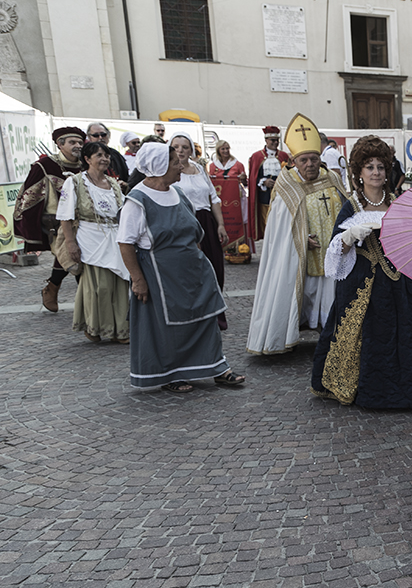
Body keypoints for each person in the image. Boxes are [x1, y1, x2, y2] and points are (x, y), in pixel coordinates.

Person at [311, 136, 412, 408]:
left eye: (381, 167)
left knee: (408, 334)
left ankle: (411, 387)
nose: (375, 172)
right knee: (373, 339)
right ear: (359, 172)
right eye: (369, 166)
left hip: (403, 283)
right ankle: (369, 389)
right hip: (364, 286)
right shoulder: (351, 206)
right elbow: (335, 254)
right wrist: (350, 234)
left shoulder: (399, 201)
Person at [117, 142, 244, 392]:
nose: (181, 166)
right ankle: (172, 373)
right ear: (159, 167)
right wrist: (137, 279)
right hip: (159, 274)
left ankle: (218, 367)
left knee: (205, 317)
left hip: (192, 270)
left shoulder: (178, 193)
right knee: (168, 327)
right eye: (175, 162)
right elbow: (125, 243)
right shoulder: (138, 201)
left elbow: (193, 233)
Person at [247, 113, 347, 355]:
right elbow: (278, 228)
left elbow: (346, 209)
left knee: (330, 293)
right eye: (304, 160)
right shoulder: (287, 184)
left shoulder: (332, 178)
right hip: (299, 255)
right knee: (302, 290)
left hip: (332, 254)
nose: (310, 164)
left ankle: (331, 331)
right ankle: (287, 333)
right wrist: (299, 239)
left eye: (314, 159)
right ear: (294, 161)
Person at [56, 141, 129, 343]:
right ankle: (96, 327)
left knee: (120, 284)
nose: (105, 159)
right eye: (99, 155)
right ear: (87, 159)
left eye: (106, 155)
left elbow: (124, 210)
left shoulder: (114, 183)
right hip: (90, 237)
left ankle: (121, 329)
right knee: (99, 287)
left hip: (114, 238)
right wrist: (71, 243)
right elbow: (65, 215)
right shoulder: (75, 182)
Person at [14, 126, 86, 312]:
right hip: (56, 222)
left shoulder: (86, 164)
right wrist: (29, 222)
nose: (77, 146)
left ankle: (52, 288)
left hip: (85, 219)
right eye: (72, 142)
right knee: (72, 257)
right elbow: (29, 194)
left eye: (79, 142)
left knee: (77, 257)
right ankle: (88, 304)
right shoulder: (45, 166)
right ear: (60, 145)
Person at [170, 133, 229, 330]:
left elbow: (214, 198)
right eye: (176, 147)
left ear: (191, 150)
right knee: (191, 270)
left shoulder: (198, 168)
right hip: (184, 223)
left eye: (185, 147)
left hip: (207, 222)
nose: (180, 151)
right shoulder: (168, 171)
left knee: (214, 268)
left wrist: (220, 224)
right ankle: (195, 314)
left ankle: (215, 312)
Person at [247, 126, 290, 241]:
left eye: (277, 140)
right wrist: (264, 181)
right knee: (266, 223)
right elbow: (252, 178)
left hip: (281, 196)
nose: (275, 143)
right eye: (272, 140)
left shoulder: (283, 156)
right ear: (266, 140)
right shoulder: (257, 156)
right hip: (264, 197)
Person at [208, 140, 248, 246]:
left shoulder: (238, 164)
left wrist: (243, 179)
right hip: (220, 199)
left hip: (235, 198)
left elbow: (245, 183)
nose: (226, 151)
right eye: (223, 149)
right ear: (218, 150)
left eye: (227, 148)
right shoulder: (212, 166)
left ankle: (239, 247)